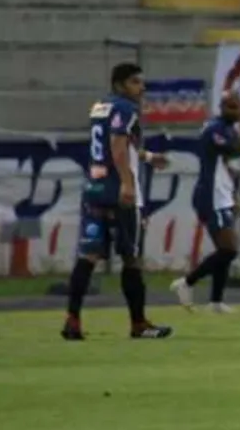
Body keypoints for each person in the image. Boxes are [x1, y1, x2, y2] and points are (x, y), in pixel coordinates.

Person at [61, 62, 173, 340]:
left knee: (88, 256)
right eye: (136, 82)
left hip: (94, 188)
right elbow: (117, 144)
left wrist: (147, 158)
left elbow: (115, 144)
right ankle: (138, 324)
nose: (142, 87)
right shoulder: (126, 108)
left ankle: (72, 320)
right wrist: (126, 181)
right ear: (120, 84)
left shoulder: (100, 106)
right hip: (119, 193)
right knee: (131, 257)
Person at [170, 92, 240, 313]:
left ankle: (215, 302)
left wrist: (234, 195)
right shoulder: (215, 130)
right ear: (222, 107)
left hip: (221, 195)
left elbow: (228, 165)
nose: (236, 111)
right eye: (232, 107)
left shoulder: (226, 128)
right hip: (211, 196)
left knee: (225, 249)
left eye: (238, 106)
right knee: (229, 249)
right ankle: (186, 283)